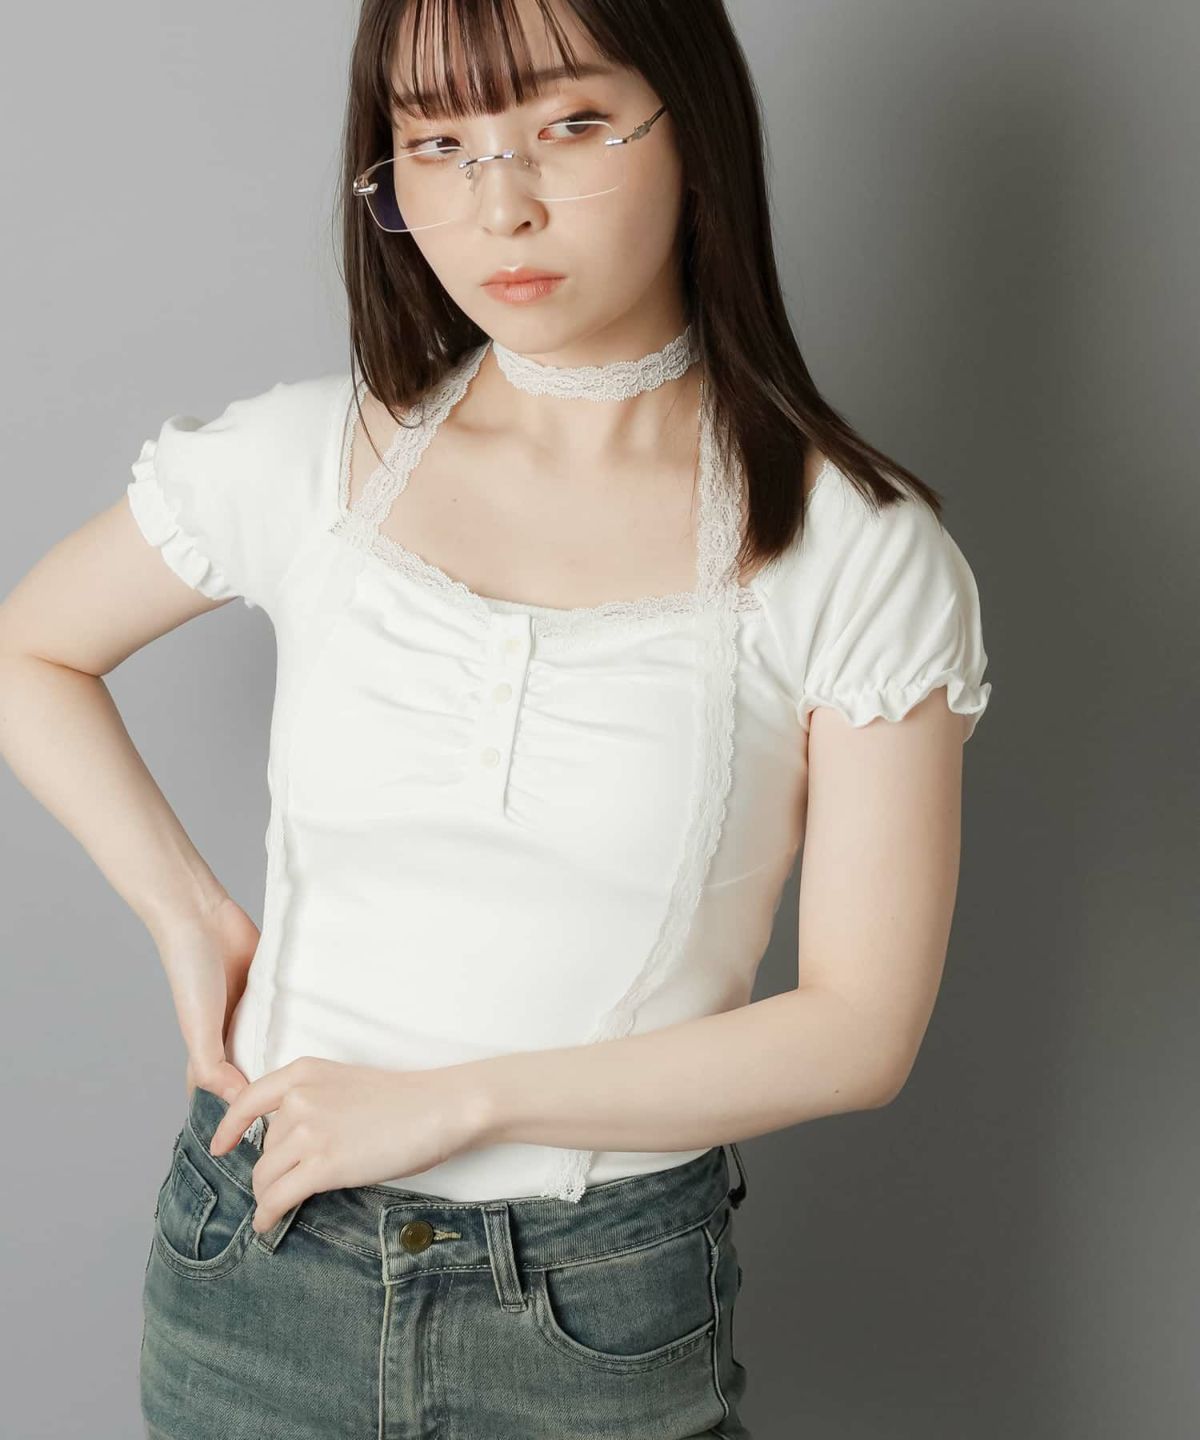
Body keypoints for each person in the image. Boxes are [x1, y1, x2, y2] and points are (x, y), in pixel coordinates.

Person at [0, 1, 992, 1436]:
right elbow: (30, 650)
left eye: (571, 124)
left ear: (696, 137)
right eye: (438, 144)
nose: (500, 205)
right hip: (257, 1261)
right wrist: (185, 912)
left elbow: (858, 1031)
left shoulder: (854, 551)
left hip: (592, 1308)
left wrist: (461, 1102)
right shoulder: (309, 458)